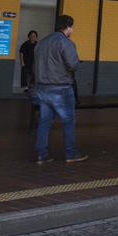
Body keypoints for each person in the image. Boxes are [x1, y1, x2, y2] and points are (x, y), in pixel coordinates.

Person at [33, 15, 88, 164]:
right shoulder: (66, 43)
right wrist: (77, 62)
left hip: (42, 88)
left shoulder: (41, 43)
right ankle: (71, 153)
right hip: (61, 88)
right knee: (68, 120)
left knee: (44, 121)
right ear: (68, 27)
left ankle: (41, 155)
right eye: (72, 27)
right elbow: (73, 65)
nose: (73, 30)